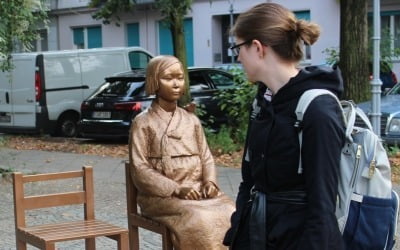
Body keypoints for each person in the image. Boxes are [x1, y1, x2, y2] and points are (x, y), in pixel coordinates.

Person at [223, 3, 345, 250]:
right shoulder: (262, 103)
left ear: (257, 47)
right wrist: (239, 228)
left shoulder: (317, 109)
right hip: (258, 235)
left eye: (237, 48)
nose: (237, 57)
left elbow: (322, 206)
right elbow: (250, 181)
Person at [129, 55, 235, 250]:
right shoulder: (142, 122)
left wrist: (209, 182)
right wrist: (176, 188)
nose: (176, 84)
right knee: (199, 218)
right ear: (154, 81)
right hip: (161, 197)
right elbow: (139, 168)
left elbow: (206, 157)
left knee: (232, 211)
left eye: (179, 77)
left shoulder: (191, 120)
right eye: (168, 78)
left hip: (197, 190)